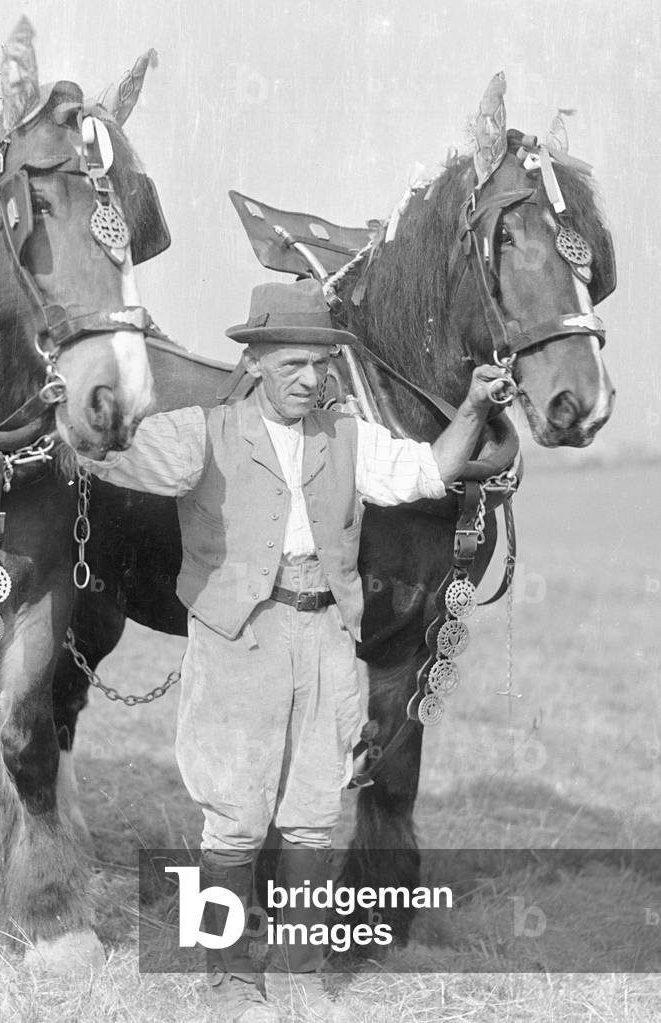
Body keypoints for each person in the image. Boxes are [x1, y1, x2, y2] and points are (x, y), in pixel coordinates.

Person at [80, 278, 507, 1022]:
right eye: (293, 367)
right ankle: (231, 981)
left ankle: (303, 973)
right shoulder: (202, 432)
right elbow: (115, 456)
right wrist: (81, 402)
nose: (310, 381)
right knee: (236, 820)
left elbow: (427, 471)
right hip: (237, 639)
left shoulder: (347, 436)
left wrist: (473, 406)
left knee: (313, 816)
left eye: (320, 365)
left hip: (327, 639)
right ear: (255, 362)